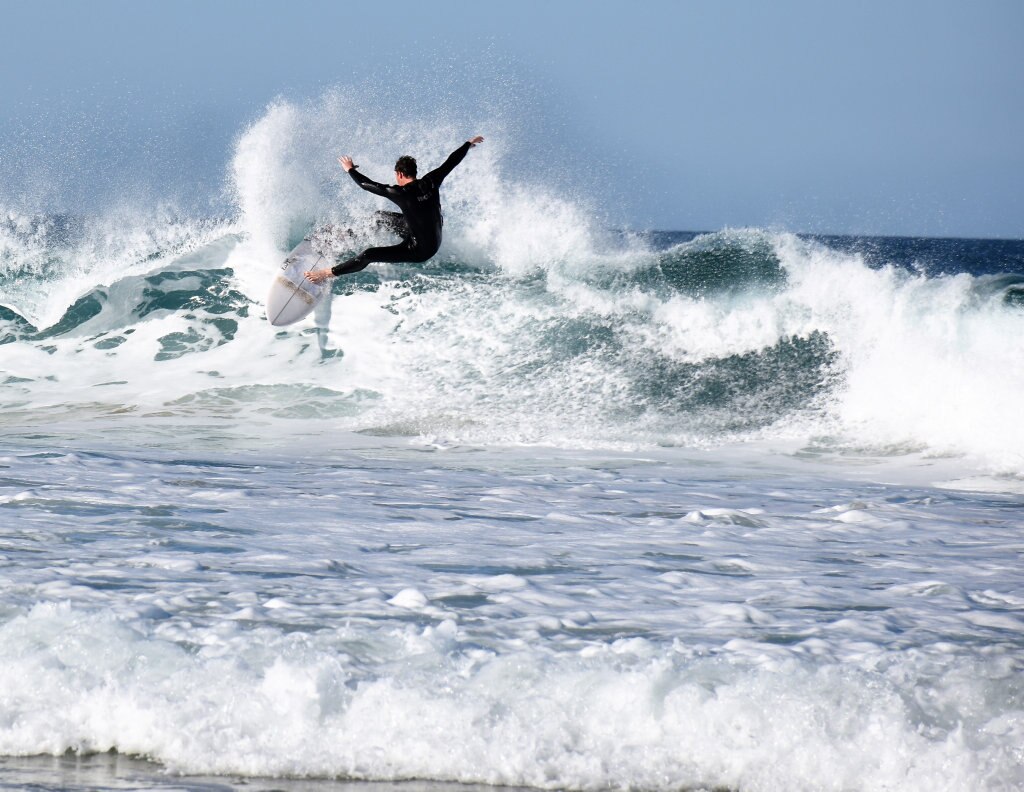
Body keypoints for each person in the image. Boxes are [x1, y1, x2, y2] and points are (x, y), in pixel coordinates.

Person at [305, 135, 484, 283]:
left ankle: (326, 274)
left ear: (399, 174)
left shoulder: (401, 192)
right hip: (433, 238)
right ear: (415, 172)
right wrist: (468, 144)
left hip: (419, 250)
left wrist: (350, 169)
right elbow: (451, 162)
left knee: (369, 254)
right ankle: (340, 235)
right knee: (380, 217)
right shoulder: (431, 180)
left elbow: (366, 184)